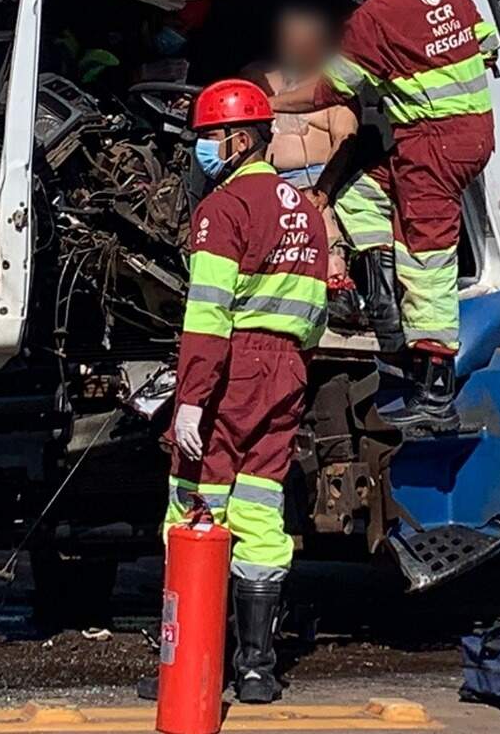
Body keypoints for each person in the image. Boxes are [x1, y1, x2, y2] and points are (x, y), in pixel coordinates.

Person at [268, 0, 498, 430]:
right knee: (356, 191)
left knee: (427, 258)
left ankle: (435, 390)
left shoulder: (374, 17)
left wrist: (273, 103)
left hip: (432, 145)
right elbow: (487, 45)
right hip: (470, 135)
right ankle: (382, 300)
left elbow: (330, 90)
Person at [164, 78, 326, 704]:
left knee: (196, 502)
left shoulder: (224, 211)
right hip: (288, 370)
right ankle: (257, 667)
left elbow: (207, 316)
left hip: (232, 370)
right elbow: (313, 316)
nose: (203, 149)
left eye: (209, 137)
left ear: (238, 138)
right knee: (261, 507)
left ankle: (196, 651)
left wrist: (191, 398)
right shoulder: (303, 209)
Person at [243, 3, 364, 324]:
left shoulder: (334, 89)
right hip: (263, 179)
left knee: (320, 220)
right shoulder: (258, 77)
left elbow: (345, 141)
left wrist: (323, 190)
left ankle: (337, 287)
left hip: (314, 183)